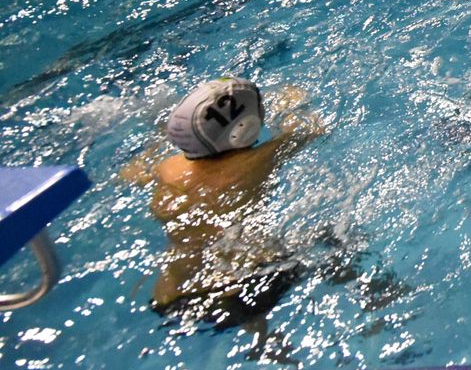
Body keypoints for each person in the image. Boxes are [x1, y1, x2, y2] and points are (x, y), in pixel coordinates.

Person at [118, 78, 326, 330]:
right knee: (332, 244)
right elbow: (311, 129)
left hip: (173, 298)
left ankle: (262, 342)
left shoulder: (169, 168)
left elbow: (129, 173)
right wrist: (291, 103)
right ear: (244, 128)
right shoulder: (253, 163)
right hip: (245, 285)